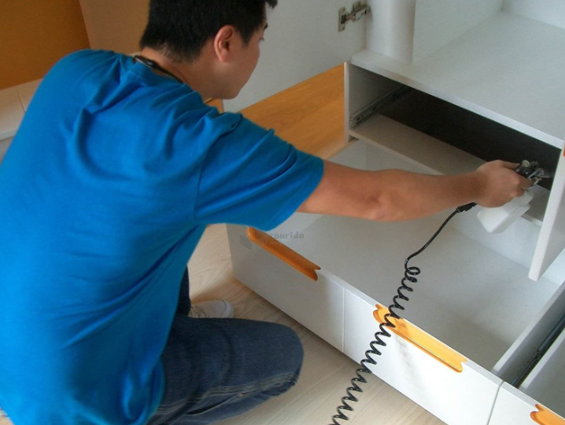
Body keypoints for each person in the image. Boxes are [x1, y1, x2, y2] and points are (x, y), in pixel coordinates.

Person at [0, 0, 531, 424]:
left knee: (151, 220)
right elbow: (377, 200)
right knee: (281, 358)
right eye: (261, 39)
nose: (260, 52)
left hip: (12, 345)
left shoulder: (78, 68)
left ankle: (159, 335)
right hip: (73, 399)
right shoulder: (201, 145)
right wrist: (477, 185)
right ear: (225, 42)